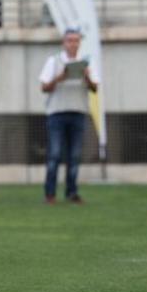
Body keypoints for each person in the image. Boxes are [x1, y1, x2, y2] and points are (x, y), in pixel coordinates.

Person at [39, 28, 99, 204]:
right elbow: (43, 87)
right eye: (69, 40)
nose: (73, 44)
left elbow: (95, 88)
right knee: (55, 154)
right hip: (56, 113)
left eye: (76, 40)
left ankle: (71, 192)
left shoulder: (87, 63)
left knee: (74, 155)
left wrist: (87, 77)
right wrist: (59, 78)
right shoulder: (53, 61)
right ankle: (50, 193)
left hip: (78, 112)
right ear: (63, 43)